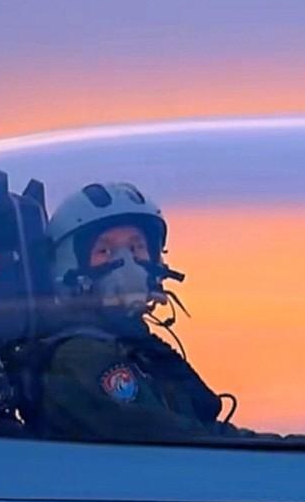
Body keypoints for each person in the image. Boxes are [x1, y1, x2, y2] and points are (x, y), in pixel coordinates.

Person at [39, 181, 275, 444]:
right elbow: (181, 443)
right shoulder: (81, 357)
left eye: (137, 248)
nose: (128, 262)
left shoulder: (136, 351)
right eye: (105, 251)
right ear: (69, 265)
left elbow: (205, 432)